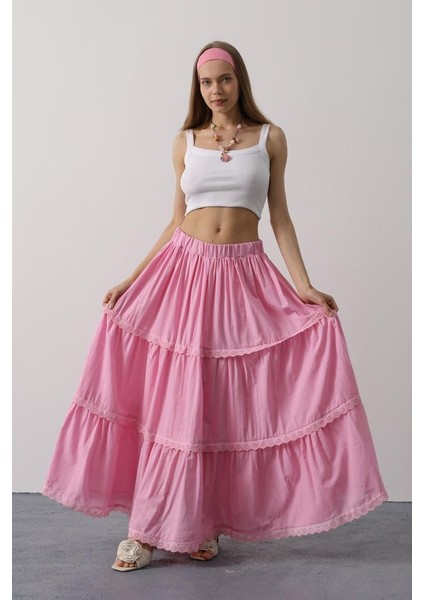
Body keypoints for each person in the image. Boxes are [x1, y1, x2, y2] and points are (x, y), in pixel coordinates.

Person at [43, 41, 388, 572]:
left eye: (224, 79)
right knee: (173, 404)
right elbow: (175, 219)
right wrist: (132, 279)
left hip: (243, 277)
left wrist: (304, 286)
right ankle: (143, 532)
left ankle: (202, 524)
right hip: (183, 273)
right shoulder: (185, 141)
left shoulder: (270, 138)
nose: (216, 90)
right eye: (206, 82)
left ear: (239, 80)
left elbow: (280, 217)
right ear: (197, 87)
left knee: (222, 404)